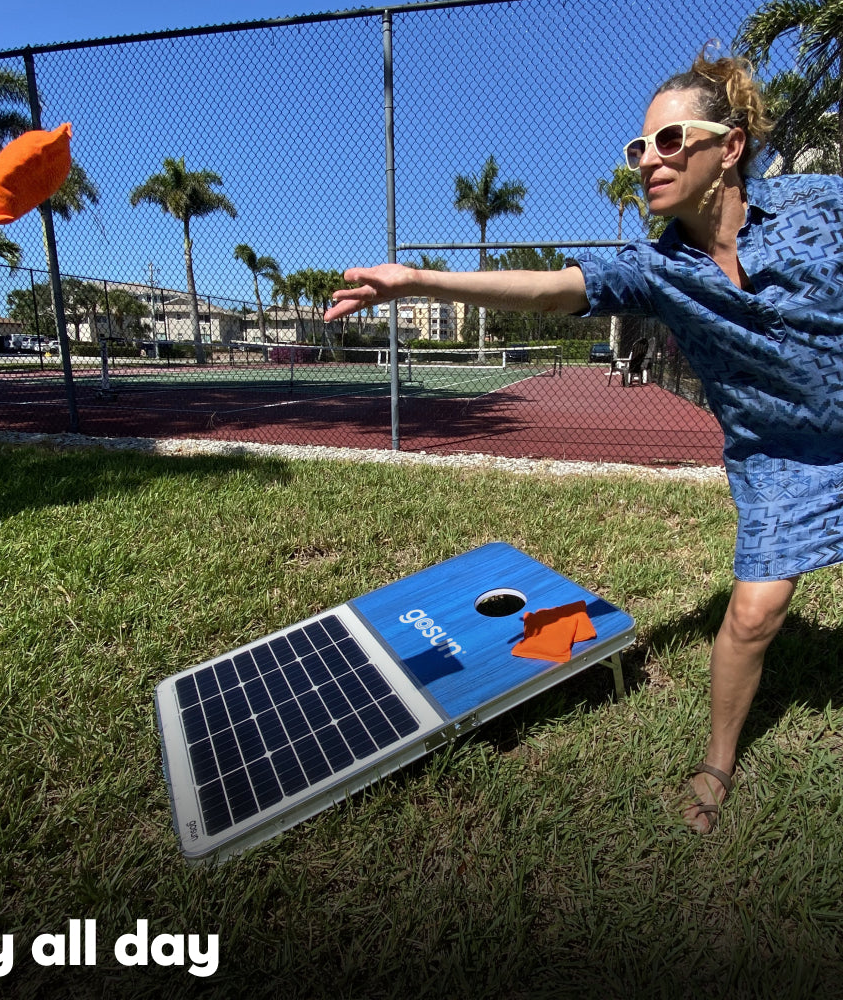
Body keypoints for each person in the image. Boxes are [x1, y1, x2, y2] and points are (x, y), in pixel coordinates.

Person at [324, 48, 843, 833]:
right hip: (781, 458)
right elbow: (548, 288)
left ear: (729, 147)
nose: (649, 163)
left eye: (671, 142)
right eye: (640, 149)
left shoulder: (821, 204)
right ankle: (716, 765)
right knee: (753, 615)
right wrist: (420, 281)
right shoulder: (654, 269)